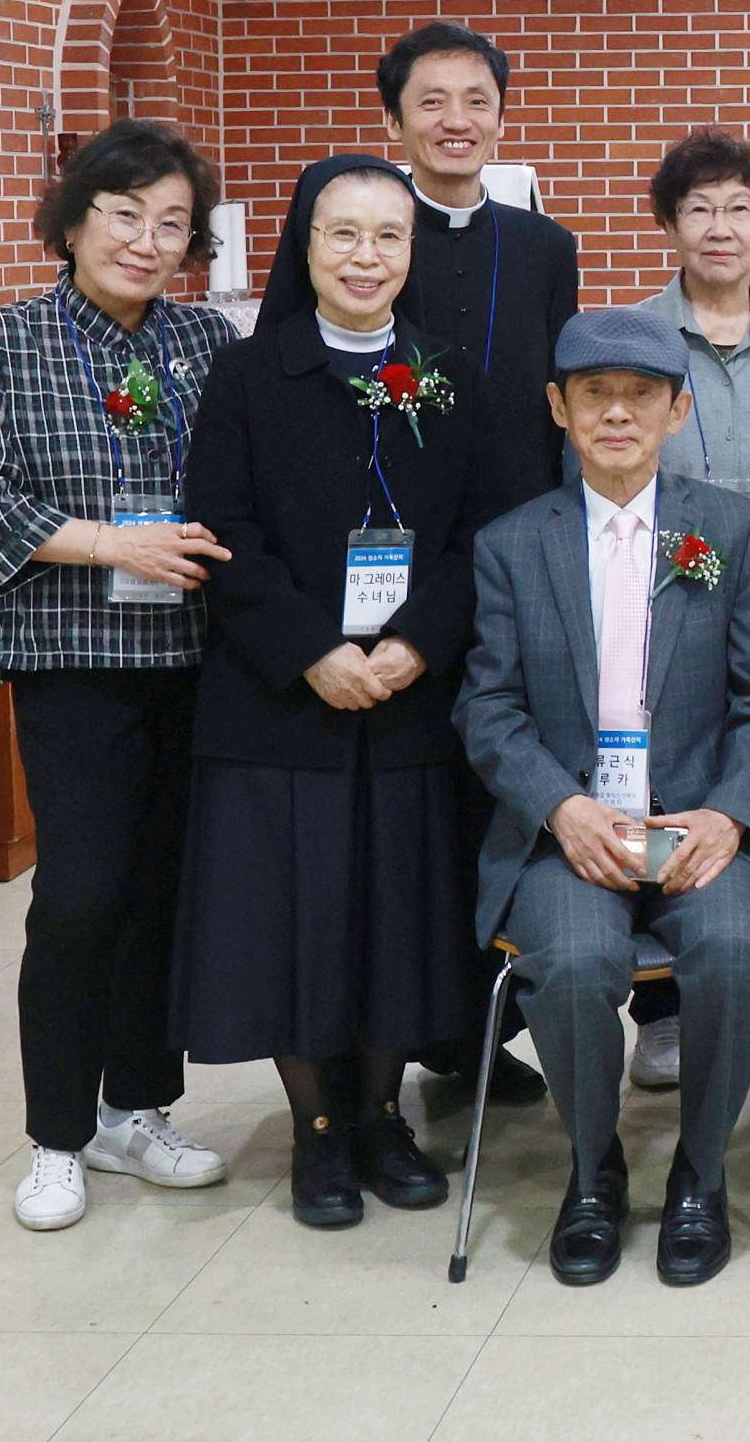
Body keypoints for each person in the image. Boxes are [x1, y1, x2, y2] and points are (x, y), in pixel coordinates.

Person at [258, 20, 578, 1106]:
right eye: (431, 101)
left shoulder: (543, 247)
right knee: (409, 809)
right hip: (383, 570)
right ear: (393, 118)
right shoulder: (359, 229)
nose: (456, 120)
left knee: (493, 795)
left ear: (502, 115)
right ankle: (407, 1036)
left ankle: (477, 1028)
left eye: (477, 99)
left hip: (512, 559)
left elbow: (560, 406)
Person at [170, 157, 492, 1227]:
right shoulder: (246, 375)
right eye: (342, 234)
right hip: (279, 700)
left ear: (412, 251)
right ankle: (317, 1127)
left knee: (397, 912)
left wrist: (416, 645)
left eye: (388, 236)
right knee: (295, 919)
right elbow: (223, 531)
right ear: (304, 245)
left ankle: (383, 1114)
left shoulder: (450, 376)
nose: (366, 256)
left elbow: (481, 535)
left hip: (409, 698)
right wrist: (312, 649)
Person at [454, 308, 750, 1288]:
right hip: (568, 830)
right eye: (595, 394)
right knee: (573, 961)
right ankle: (593, 1167)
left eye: (641, 394)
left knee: (730, 949)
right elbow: (489, 709)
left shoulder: (732, 529)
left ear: (677, 409)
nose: (617, 413)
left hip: (699, 823)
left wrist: (728, 815)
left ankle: (701, 1173)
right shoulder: (513, 543)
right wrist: (562, 809)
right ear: (558, 407)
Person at [0, 118, 239, 1231]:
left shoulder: (206, 340)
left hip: (195, 656)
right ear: (72, 221)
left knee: (162, 892)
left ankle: (137, 1108)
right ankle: (57, 1134)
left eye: (172, 224)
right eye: (125, 215)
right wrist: (113, 542)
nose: (147, 242)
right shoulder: (3, 341)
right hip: (75, 661)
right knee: (80, 894)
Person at [623, 128, 750, 1093]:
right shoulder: (633, 340)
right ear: (670, 224)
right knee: (658, 792)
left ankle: (742, 988)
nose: (720, 226)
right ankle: (660, 1015)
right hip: (655, 618)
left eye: (740, 208)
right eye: (698, 207)